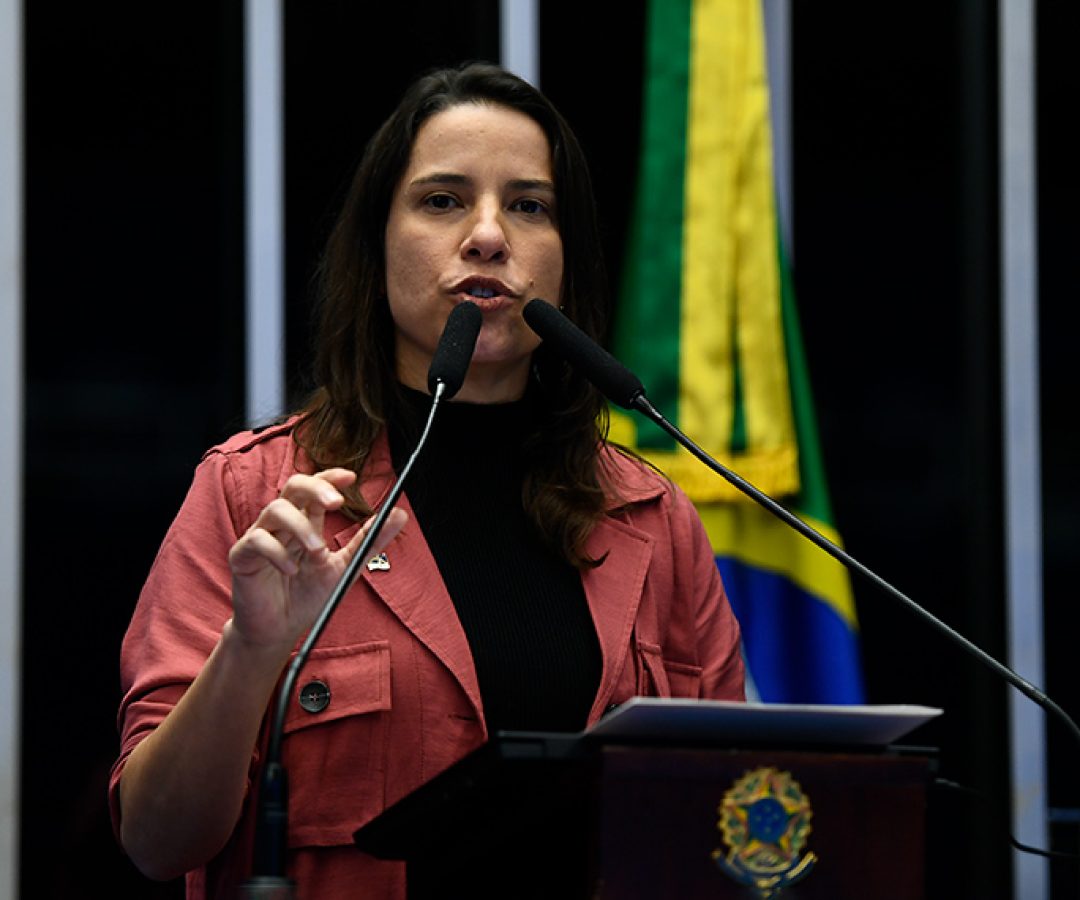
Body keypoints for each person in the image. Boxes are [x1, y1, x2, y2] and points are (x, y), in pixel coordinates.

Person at [109, 61, 745, 899]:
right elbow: (159, 839)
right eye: (443, 200)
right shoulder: (257, 496)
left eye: (529, 205)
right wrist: (253, 648)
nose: (489, 235)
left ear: (565, 260)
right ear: (378, 246)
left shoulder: (655, 519)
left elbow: (736, 808)